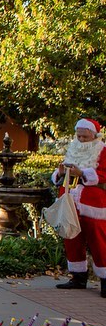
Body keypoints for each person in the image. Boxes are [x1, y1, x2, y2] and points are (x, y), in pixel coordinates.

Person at [52, 118, 106, 297]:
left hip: (93, 204)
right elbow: (62, 172)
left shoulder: (102, 150)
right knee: (72, 238)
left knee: (99, 242)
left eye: (84, 136)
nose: (81, 139)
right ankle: (78, 277)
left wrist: (82, 173)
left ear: (94, 134)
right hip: (71, 201)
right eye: (79, 135)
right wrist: (59, 173)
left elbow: (103, 175)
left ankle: (105, 280)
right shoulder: (73, 148)